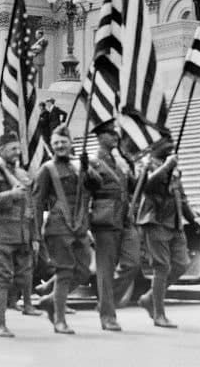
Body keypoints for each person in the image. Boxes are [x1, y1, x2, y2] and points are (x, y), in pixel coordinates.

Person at [136, 128, 196, 329]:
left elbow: (181, 194)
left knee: (182, 264)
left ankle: (150, 298)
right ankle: (158, 314)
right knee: (161, 267)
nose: (171, 144)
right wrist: (167, 166)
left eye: (172, 140)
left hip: (175, 222)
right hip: (155, 220)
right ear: (156, 144)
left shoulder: (174, 166)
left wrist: (193, 217)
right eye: (166, 140)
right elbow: (147, 186)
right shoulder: (146, 164)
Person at [0, 131, 37, 338]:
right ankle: (0, 324)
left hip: (20, 234)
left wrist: (33, 236)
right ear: (1, 150)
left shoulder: (20, 173)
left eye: (18, 148)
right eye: (12, 148)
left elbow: (30, 207)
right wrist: (10, 194)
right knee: (3, 278)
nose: (17, 152)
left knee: (20, 278)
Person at [34, 125, 90, 335]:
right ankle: (59, 320)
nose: (59, 146)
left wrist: (87, 168)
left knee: (83, 269)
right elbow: (37, 202)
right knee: (64, 270)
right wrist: (35, 233)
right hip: (58, 226)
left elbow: (95, 185)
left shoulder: (78, 166)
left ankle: (50, 299)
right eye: (56, 143)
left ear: (71, 144)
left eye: (63, 142)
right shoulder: (47, 169)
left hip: (79, 225)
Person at [84, 119, 138, 332]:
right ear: (100, 137)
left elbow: (133, 186)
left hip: (125, 218)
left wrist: (134, 168)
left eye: (116, 135)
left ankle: (106, 304)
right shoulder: (93, 161)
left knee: (132, 263)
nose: (115, 138)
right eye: (111, 134)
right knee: (105, 270)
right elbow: (88, 189)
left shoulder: (120, 161)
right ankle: (108, 316)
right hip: (104, 219)